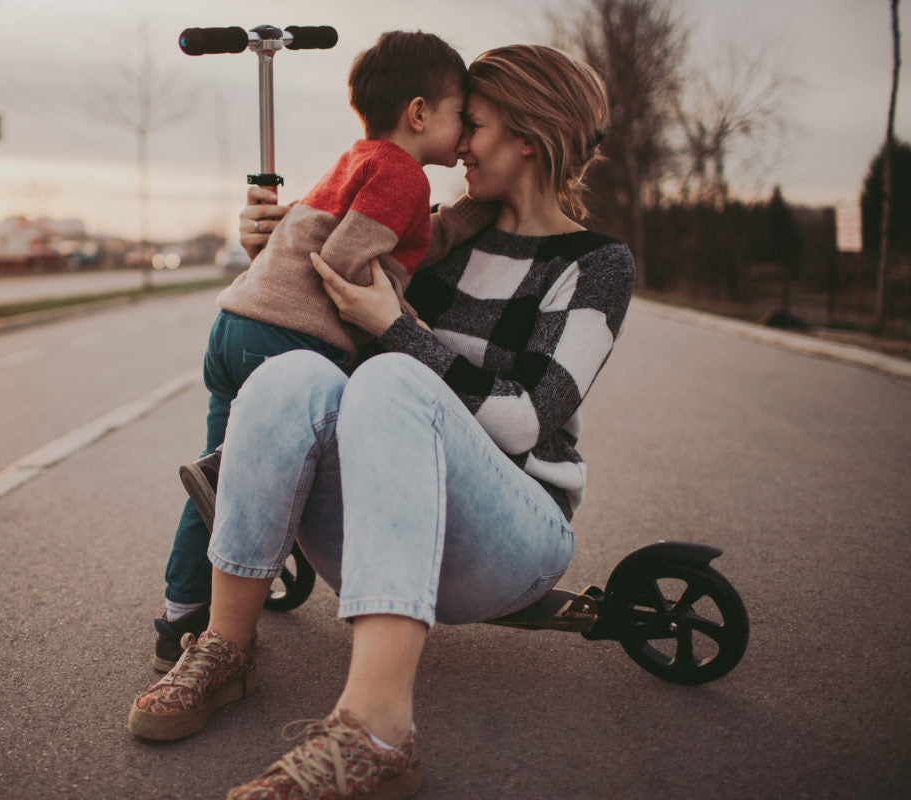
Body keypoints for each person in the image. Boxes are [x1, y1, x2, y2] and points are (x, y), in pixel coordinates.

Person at [130, 44, 636, 800]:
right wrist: (277, 248)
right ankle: (225, 648)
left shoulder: (595, 265)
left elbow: (526, 419)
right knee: (293, 372)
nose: (460, 146)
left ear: (529, 136)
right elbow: (340, 264)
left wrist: (397, 331)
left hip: (511, 534)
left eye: (476, 124)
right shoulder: (439, 237)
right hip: (386, 520)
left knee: (395, 375)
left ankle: (375, 735)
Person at [151, 30, 474, 672]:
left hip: (238, 326)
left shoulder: (361, 160)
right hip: (285, 340)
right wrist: (405, 324)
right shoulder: (403, 174)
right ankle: (228, 590)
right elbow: (349, 264)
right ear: (419, 113)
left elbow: (401, 239)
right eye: (460, 115)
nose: (465, 133)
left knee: (220, 482)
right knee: (260, 470)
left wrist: (468, 215)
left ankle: (181, 613)